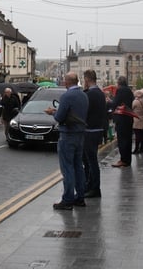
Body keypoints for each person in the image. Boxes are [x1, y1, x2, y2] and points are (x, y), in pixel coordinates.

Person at [44, 72, 88, 210]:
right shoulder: (84, 95)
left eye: (65, 80)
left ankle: (68, 200)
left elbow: (59, 117)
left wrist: (53, 112)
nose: (63, 82)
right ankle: (80, 197)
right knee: (78, 166)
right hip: (80, 134)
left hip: (68, 134)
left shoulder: (67, 96)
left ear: (68, 82)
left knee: (67, 167)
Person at [82, 69, 107, 198]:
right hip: (98, 130)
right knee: (90, 160)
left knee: (91, 161)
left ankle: (95, 188)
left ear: (86, 79)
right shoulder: (100, 94)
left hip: (89, 131)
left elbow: (83, 113)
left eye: (83, 79)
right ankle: (90, 185)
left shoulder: (89, 95)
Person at [107, 76, 135, 168]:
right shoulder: (129, 91)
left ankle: (123, 160)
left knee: (122, 140)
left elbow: (115, 103)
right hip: (128, 117)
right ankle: (127, 160)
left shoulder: (120, 90)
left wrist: (109, 101)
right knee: (128, 139)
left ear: (119, 83)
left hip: (122, 118)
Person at [131, 90, 143, 154]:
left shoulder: (135, 101)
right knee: (142, 135)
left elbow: (131, 108)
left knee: (137, 135)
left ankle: (136, 149)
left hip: (136, 119)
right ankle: (142, 149)